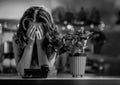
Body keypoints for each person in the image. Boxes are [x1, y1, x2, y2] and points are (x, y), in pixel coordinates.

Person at [12, 6, 60, 76]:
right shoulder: (18, 38)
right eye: (32, 29)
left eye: (39, 29)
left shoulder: (52, 39)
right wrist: (29, 45)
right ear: (25, 28)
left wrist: (40, 45)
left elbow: (45, 72)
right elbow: (22, 72)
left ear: (46, 29)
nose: (35, 33)